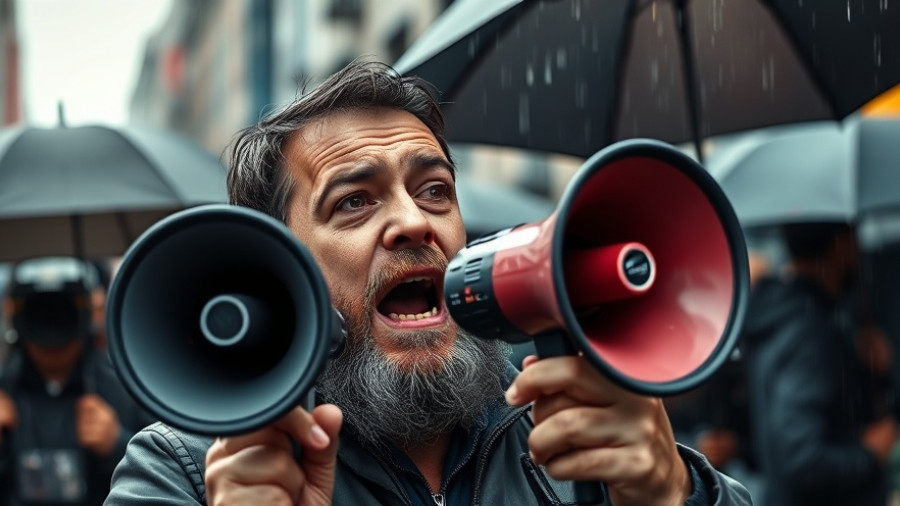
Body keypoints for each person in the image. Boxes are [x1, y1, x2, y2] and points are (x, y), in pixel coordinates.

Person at [104, 60, 751, 505]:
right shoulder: (186, 469)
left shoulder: (575, 415)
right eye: (354, 202)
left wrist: (678, 492)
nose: (414, 222)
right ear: (278, 260)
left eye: (436, 190)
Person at [743, 222, 897, 506]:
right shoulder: (808, 329)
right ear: (840, 245)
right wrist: (869, 455)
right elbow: (800, 459)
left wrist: (876, 372)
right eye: (853, 240)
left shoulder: (790, 315)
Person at [0, 256, 154, 505]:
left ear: (87, 315)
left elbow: (170, 477)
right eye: (39, 311)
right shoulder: (4, 391)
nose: (51, 328)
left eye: (63, 310)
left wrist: (119, 445)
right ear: (17, 319)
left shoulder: (128, 388)